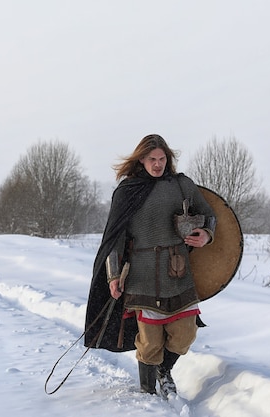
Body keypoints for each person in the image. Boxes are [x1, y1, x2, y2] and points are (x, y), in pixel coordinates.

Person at [84, 134, 216, 397]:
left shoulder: (181, 185)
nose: (157, 164)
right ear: (141, 160)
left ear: (168, 159)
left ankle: (163, 371)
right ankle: (148, 391)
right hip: (142, 273)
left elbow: (209, 214)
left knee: (185, 334)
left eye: (162, 159)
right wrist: (113, 277)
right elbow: (115, 238)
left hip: (178, 271)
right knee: (150, 340)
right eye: (152, 159)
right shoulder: (127, 191)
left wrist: (206, 234)